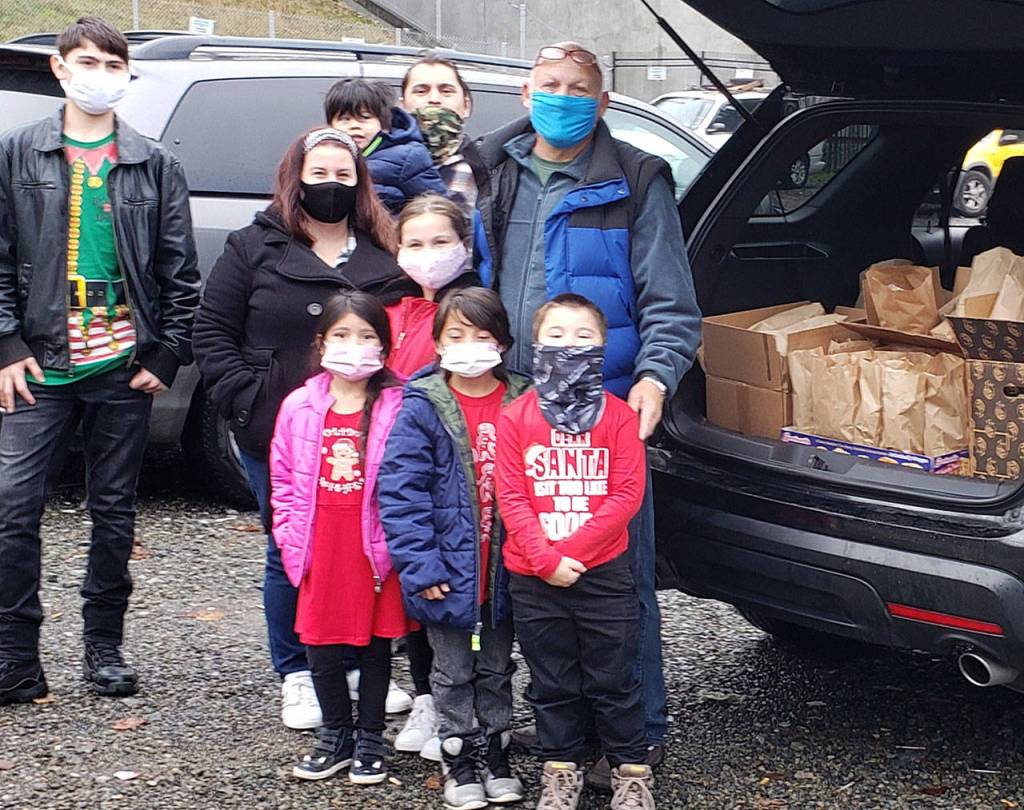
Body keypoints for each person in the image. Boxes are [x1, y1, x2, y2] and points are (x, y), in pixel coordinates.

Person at [474, 41, 702, 785]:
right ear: (525, 91)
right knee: (519, 571)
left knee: (616, 577)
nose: (563, 96)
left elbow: (670, 301)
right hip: (511, 401)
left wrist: (655, 377)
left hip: (599, 412)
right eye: (551, 84)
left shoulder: (636, 179)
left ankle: (635, 739)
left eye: (579, 87)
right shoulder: (491, 171)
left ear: (602, 101)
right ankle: (549, 738)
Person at [0, 17, 200, 703]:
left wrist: (167, 353)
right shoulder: (18, 153)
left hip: (121, 365)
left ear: (126, 75)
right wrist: (7, 344)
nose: (99, 75)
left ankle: (103, 646)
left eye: (113, 65)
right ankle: (15, 657)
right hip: (41, 366)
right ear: (59, 68)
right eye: (86, 61)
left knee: (113, 510)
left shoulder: (154, 162)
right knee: (12, 506)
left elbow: (181, 274)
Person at [192, 127, 416, 730]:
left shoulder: (385, 252)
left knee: (365, 543)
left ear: (361, 183)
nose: (331, 186)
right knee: (292, 546)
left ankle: (355, 662)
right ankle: (297, 671)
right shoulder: (254, 246)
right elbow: (211, 333)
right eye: (319, 173)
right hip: (281, 432)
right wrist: (251, 401)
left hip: (368, 432)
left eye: (345, 176)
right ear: (295, 178)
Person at [496, 294, 655, 810]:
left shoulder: (618, 417)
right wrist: (545, 559)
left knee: (616, 678)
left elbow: (627, 493)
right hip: (534, 576)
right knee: (552, 680)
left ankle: (631, 773)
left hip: (603, 573)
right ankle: (559, 770)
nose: (569, 345)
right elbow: (511, 494)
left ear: (604, 347)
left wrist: (577, 554)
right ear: (535, 344)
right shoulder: (516, 418)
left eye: (583, 336)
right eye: (556, 335)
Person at [380, 288, 529, 810]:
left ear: (504, 344)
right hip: (448, 573)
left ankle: (497, 750)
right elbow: (401, 490)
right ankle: (457, 754)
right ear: (438, 344)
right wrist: (421, 566)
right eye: (456, 336)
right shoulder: (423, 404)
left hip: (506, 572)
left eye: (483, 336)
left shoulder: (524, 399)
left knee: (495, 666)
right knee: (453, 668)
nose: (470, 346)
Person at [270, 290, 412, 784]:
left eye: (367, 336)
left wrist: (399, 546)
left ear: (384, 346)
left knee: (374, 646)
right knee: (321, 646)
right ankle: (335, 735)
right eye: (342, 336)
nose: (354, 346)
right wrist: (290, 538)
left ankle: (371, 736)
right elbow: (283, 478)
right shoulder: (299, 405)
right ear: (321, 342)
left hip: (374, 547)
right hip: (319, 544)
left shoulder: (400, 405)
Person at [386, 193, 482, 760]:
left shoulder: (470, 309)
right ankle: (426, 694)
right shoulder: (394, 311)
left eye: (441, 242)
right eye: (415, 244)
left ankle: (464, 703)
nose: (428, 255)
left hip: (455, 473)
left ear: (465, 246)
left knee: (456, 595)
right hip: (402, 466)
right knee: (413, 588)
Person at [325, 79, 448, 214]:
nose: (355, 125)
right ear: (331, 125)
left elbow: (439, 210)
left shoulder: (408, 157)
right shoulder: (322, 158)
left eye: (365, 117)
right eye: (345, 119)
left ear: (383, 123)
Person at [401, 54, 486, 212]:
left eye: (446, 91)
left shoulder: (490, 171)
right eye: (421, 91)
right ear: (403, 106)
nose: (434, 99)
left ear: (466, 106)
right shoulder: (381, 167)